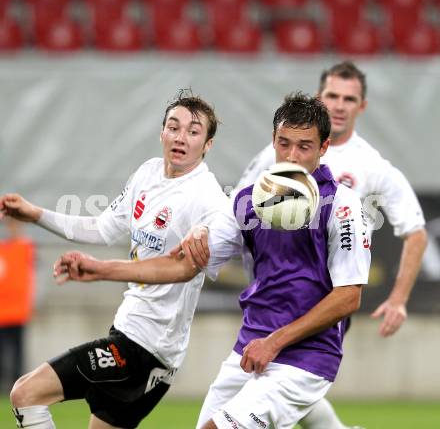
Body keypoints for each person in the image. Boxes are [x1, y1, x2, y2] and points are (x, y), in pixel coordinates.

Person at [54, 92, 371, 429]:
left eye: (304, 146)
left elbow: (348, 296)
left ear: (323, 148)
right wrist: (102, 268)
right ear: (273, 141)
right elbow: (183, 266)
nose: (291, 155)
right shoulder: (247, 200)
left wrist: (275, 342)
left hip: (304, 359)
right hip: (251, 350)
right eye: (283, 143)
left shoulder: (341, 204)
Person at [1, 90, 240, 429]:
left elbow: (183, 268)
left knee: (25, 394)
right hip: (135, 339)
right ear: (161, 132)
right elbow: (101, 228)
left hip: (143, 348)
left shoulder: (208, 198)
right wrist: (35, 214)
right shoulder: (148, 173)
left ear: (208, 144)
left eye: (193, 131)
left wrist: (100, 269)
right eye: (174, 127)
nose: (181, 137)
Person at [232, 60, 428, 429]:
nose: (339, 105)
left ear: (362, 106)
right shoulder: (278, 153)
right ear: (320, 99)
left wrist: (399, 299)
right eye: (332, 96)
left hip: (328, 294)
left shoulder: (371, 165)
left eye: (349, 98)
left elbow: (415, 231)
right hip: (276, 289)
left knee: (281, 383)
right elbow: (239, 209)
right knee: (279, 385)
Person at [0, 217, 35, 394]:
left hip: (19, 311)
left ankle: (17, 387)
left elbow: (35, 277)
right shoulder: (2, 249)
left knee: (17, 354)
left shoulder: (26, 247)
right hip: (1, 312)